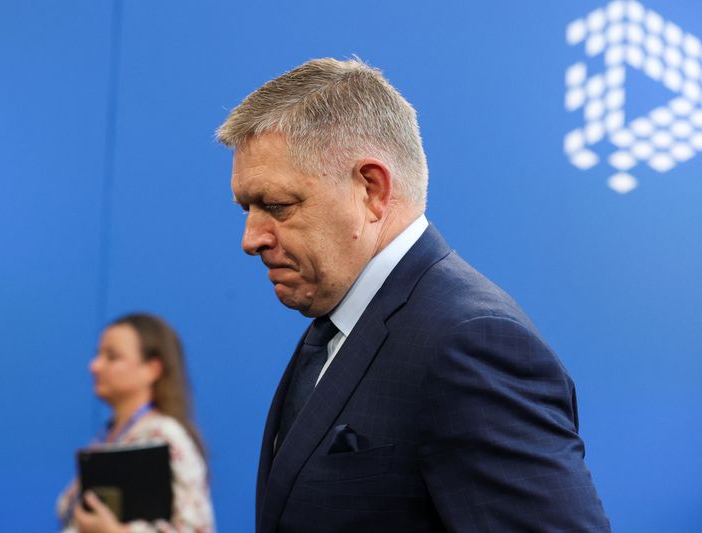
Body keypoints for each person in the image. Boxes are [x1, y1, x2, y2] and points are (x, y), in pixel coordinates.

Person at [217, 58, 610, 532]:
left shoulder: (470, 343)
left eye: (277, 206)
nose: (252, 237)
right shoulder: (338, 321)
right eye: (247, 208)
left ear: (372, 190)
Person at [57, 313, 215, 533]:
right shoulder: (107, 438)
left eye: (112, 357)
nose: (95, 366)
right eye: (98, 355)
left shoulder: (164, 436)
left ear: (153, 368)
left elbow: (195, 528)